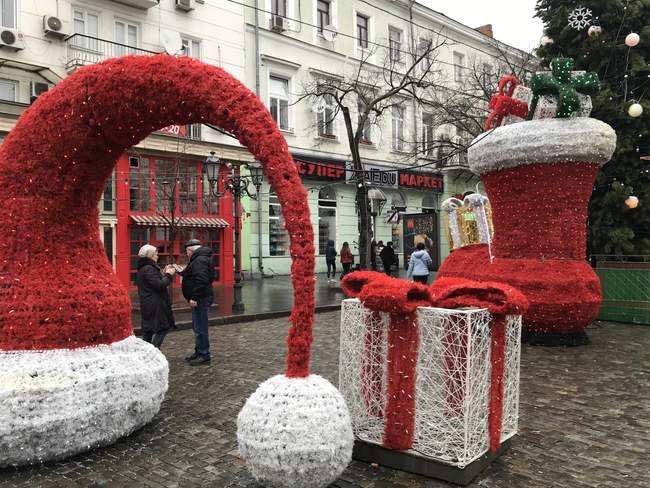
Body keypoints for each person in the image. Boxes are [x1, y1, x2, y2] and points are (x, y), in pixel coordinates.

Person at [180, 239, 214, 365]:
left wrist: (194, 297)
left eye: (187, 252)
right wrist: (180, 271)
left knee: (200, 327)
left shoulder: (199, 260)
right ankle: (199, 351)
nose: (187, 254)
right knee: (198, 326)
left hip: (201, 298)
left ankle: (204, 355)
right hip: (202, 297)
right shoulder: (200, 258)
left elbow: (201, 280)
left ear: (191, 250)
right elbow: (192, 275)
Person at [136, 244, 176, 349]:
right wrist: (169, 275)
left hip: (149, 302)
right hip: (155, 304)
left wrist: (163, 273)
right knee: (163, 328)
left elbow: (153, 282)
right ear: (150, 255)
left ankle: (146, 352)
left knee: (148, 330)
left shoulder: (145, 267)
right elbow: (159, 285)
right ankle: (153, 351)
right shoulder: (149, 268)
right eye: (156, 254)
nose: (157, 256)